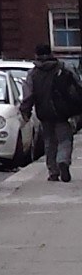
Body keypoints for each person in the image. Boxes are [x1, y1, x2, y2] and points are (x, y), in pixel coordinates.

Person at [33, 52, 82, 183]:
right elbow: (77, 86)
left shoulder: (34, 73)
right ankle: (63, 161)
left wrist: (25, 111)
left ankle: (53, 172)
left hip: (44, 113)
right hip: (62, 112)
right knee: (65, 139)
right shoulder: (62, 68)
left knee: (49, 142)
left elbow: (28, 94)